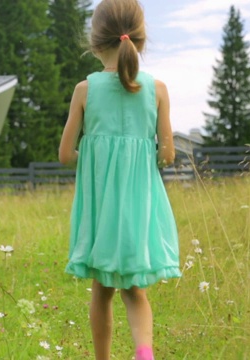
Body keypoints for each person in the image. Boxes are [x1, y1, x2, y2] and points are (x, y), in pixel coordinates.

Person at [58, 1, 181, 359]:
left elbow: (66, 155)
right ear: (140, 42)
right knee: (135, 290)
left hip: (102, 211)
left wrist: (97, 161)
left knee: (102, 289)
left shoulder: (86, 90)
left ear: (95, 42)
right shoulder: (157, 89)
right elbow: (168, 154)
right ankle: (144, 352)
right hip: (139, 207)